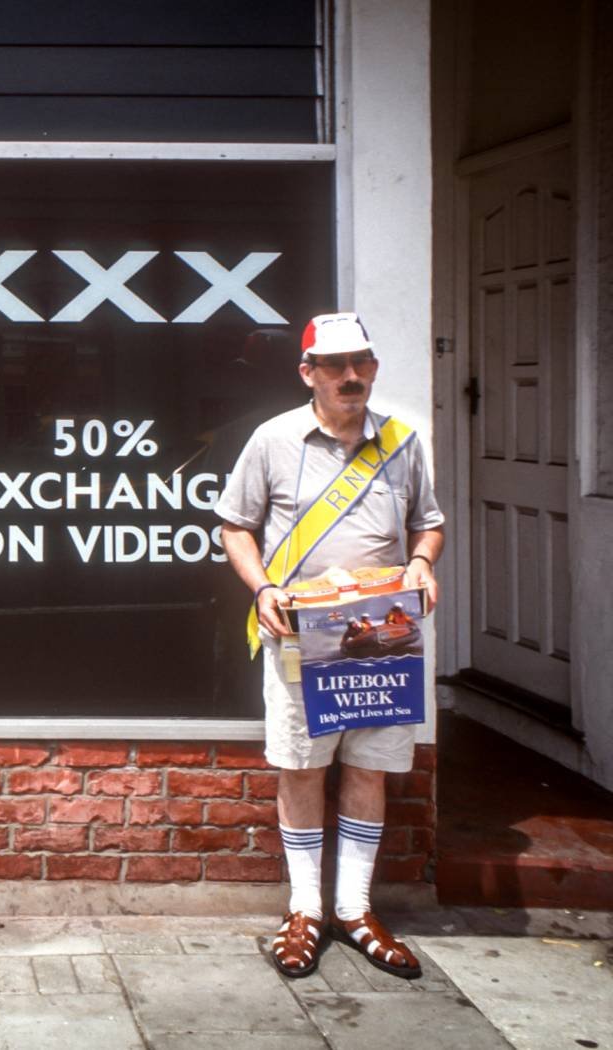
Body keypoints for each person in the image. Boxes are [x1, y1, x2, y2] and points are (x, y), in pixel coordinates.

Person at [215, 312, 444, 980]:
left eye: (361, 362)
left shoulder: (403, 442)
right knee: (303, 768)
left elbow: (428, 523)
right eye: (335, 365)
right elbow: (234, 526)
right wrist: (263, 588)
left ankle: (355, 909)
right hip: (301, 632)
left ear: (373, 367)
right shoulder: (274, 439)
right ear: (307, 373)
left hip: (383, 633)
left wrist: (422, 562)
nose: (351, 376)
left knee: (369, 768)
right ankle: (306, 910)